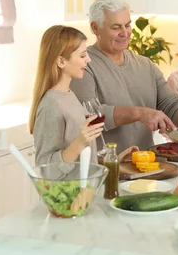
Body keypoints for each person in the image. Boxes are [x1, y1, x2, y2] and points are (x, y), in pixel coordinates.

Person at [70, 0, 178, 155]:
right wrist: (139, 113)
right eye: (116, 27)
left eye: (127, 25)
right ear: (95, 28)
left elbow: (170, 102)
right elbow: (89, 115)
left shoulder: (145, 65)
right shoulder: (84, 65)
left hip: (146, 164)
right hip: (107, 165)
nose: (125, 33)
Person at [29, 25, 138, 165]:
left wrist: (112, 160)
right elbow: (45, 167)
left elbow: (80, 162)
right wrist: (80, 142)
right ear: (61, 61)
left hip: (86, 186)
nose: (88, 59)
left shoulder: (69, 95)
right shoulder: (51, 105)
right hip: (69, 188)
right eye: (82, 55)